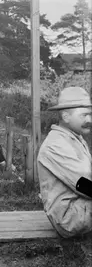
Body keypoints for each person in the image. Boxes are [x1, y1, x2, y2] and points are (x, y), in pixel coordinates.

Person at [37, 87, 92, 238]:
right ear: (66, 117)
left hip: (81, 206)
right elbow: (85, 185)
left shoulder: (74, 138)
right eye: (84, 115)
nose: (89, 120)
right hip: (70, 217)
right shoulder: (56, 145)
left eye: (90, 114)